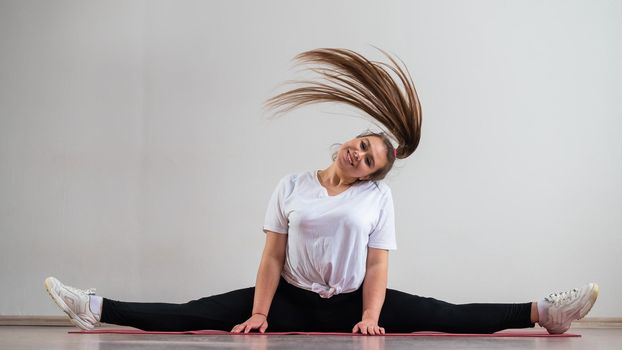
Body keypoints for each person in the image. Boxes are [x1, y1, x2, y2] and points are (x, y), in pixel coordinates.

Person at [44, 48, 599, 335]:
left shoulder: (377, 200)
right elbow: (272, 256)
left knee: (443, 312)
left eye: (370, 160)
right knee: (199, 311)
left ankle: (543, 312)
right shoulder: (291, 186)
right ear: (348, 142)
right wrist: (261, 313)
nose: (360, 154)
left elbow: (378, 266)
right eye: (361, 145)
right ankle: (94, 308)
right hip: (288, 298)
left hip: (358, 301)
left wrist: (372, 317)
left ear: (370, 176)